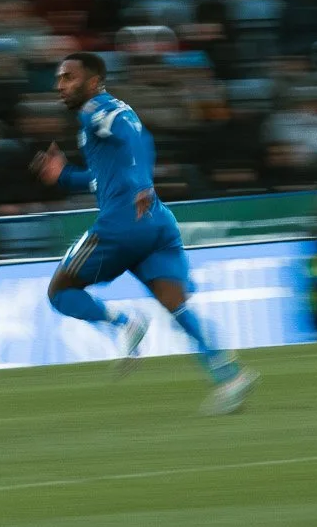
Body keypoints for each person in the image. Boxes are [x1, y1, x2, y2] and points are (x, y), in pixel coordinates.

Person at [33, 51, 256, 413]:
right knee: (175, 304)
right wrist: (64, 176)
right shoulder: (110, 113)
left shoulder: (96, 110)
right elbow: (107, 173)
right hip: (156, 223)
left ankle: (125, 322)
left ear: (93, 82)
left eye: (68, 77)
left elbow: (134, 140)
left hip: (122, 225)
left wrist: (140, 183)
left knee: (59, 291)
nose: (60, 85)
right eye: (59, 78)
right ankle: (229, 376)